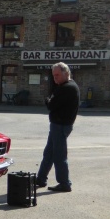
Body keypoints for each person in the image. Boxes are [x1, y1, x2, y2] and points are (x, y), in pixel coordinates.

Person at [35, 62, 80, 193]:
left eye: (57, 75)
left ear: (66, 73)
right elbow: (52, 102)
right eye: (54, 75)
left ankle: (64, 183)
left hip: (60, 126)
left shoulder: (67, 88)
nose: (55, 78)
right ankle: (41, 178)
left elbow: (50, 105)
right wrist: (51, 99)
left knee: (59, 156)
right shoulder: (66, 86)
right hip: (58, 125)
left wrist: (48, 99)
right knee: (49, 153)